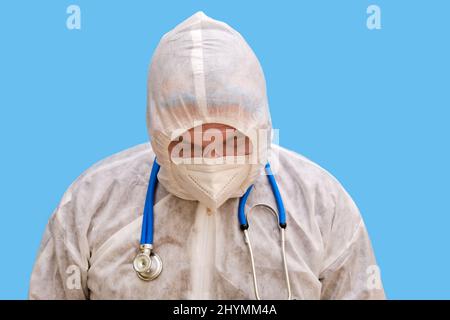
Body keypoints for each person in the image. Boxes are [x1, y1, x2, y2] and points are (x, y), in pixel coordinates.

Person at [29, 11, 385, 300]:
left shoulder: (321, 204)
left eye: (231, 142)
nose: (212, 161)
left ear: (260, 125)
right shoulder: (91, 202)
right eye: (190, 146)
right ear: (158, 134)